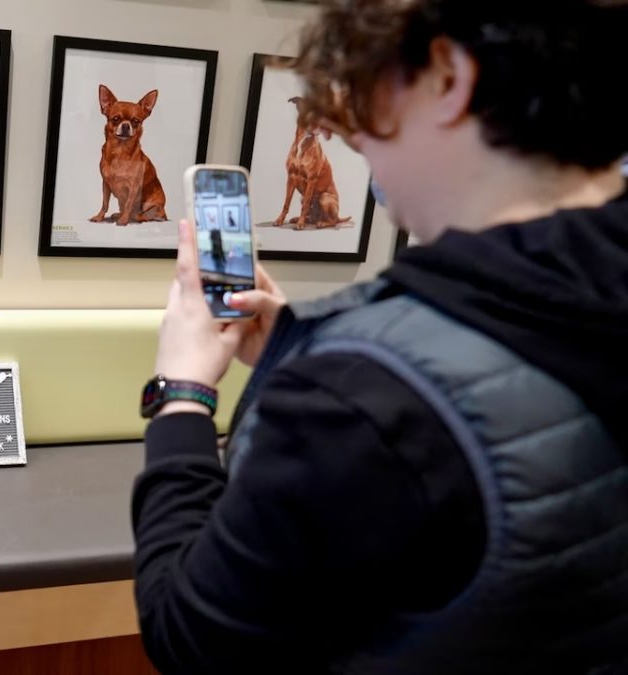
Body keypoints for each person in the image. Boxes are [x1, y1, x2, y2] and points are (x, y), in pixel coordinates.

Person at [133, 2, 628, 674]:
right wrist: (300, 347)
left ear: (448, 76)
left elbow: (190, 637)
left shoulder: (358, 396)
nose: (357, 139)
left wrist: (181, 394)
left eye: (366, 98)